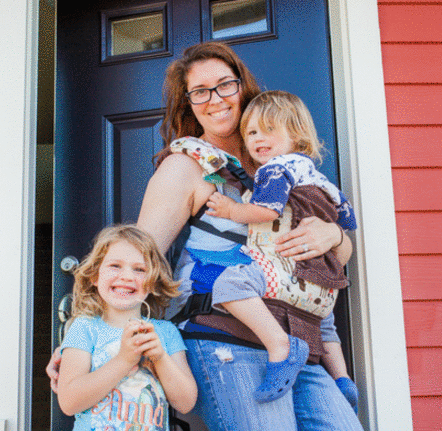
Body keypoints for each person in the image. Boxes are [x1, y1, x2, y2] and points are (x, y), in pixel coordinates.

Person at [52, 41, 361, 430]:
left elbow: (339, 257)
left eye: (224, 85)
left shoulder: (277, 159)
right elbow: (137, 257)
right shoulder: (186, 166)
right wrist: (75, 343)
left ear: (242, 87)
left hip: (297, 340)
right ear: (188, 103)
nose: (215, 99)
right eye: (200, 91)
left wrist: (332, 234)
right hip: (225, 339)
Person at [201, 90, 359, 404]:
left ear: (297, 134)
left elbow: (270, 210)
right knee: (324, 326)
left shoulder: (275, 170)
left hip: (281, 268)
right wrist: (335, 234)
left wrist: (232, 211)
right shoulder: (320, 179)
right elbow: (347, 217)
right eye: (251, 132)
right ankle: (343, 381)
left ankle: (279, 347)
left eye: (269, 129)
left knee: (229, 284)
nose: (258, 138)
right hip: (320, 285)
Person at [55, 225, 195, 430]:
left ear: (152, 282)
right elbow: (69, 402)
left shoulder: (166, 332)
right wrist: (124, 360)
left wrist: (160, 358)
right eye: (115, 266)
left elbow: (185, 402)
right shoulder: (84, 328)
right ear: (94, 275)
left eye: (139, 269)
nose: (127, 276)